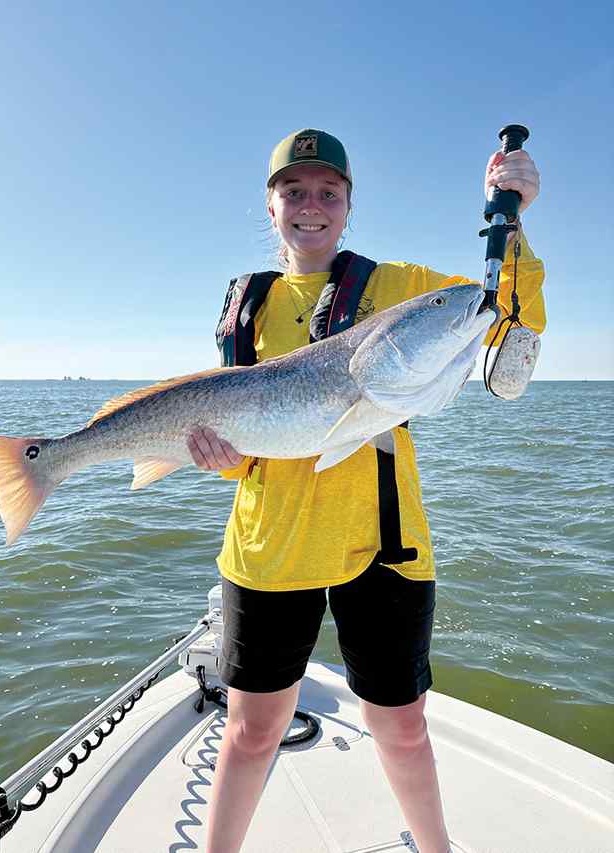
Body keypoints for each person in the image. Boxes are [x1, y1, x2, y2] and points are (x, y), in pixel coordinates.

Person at [187, 128, 545, 853]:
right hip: (270, 546)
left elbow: (500, 312)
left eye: (328, 192)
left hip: (384, 542)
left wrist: (516, 216)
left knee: (405, 727)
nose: (310, 206)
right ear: (271, 204)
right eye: (295, 190)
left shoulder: (401, 287)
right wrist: (215, 456)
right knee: (254, 730)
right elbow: (247, 445)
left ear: (349, 206)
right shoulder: (245, 302)